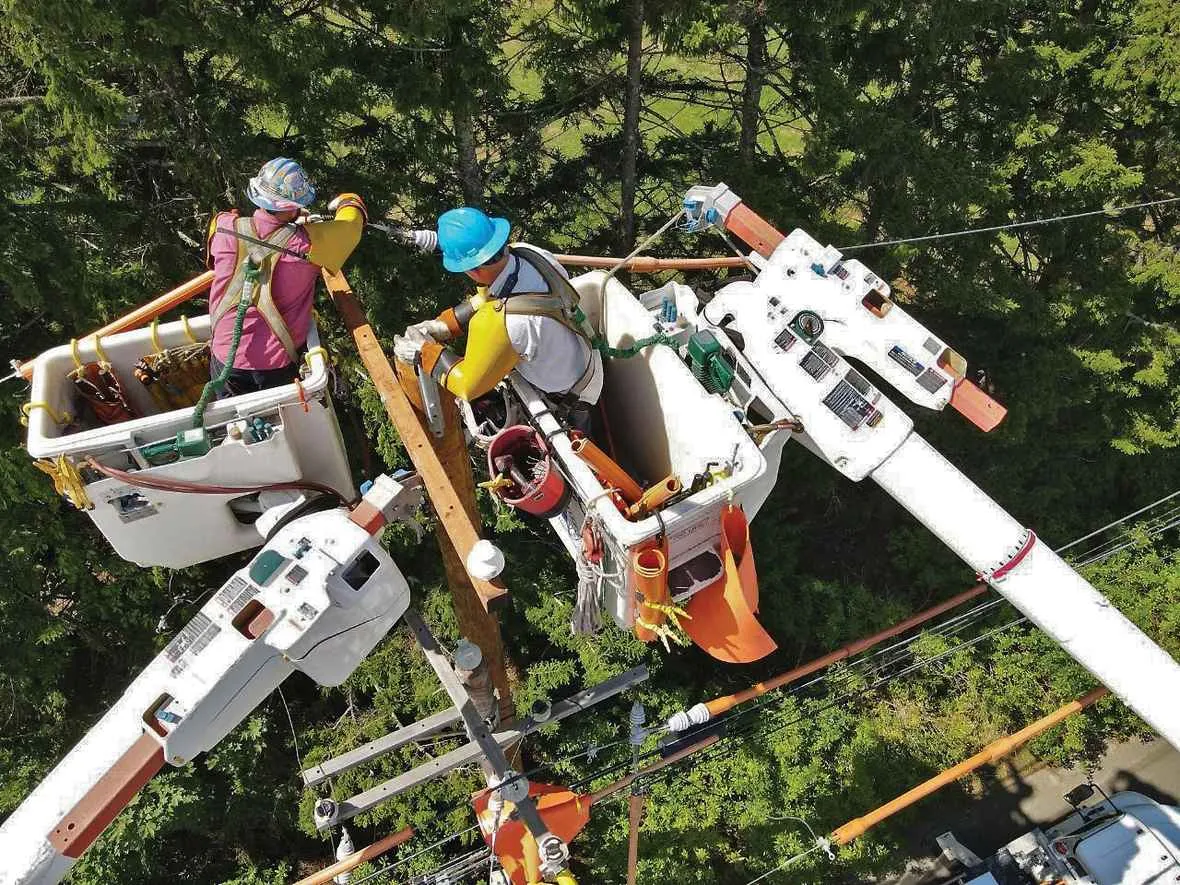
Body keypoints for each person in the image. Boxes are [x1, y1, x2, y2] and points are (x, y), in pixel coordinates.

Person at [394, 207, 603, 418]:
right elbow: (489, 297)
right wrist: (443, 325)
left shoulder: (505, 322)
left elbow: (468, 385)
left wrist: (424, 352)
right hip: (588, 365)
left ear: (473, 271)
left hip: (570, 398)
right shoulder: (528, 253)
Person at [205, 157, 367, 396]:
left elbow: (215, 264)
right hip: (274, 364)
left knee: (234, 423)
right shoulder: (309, 244)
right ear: (293, 205)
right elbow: (351, 225)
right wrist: (348, 200)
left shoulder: (222, 226)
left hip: (224, 357)